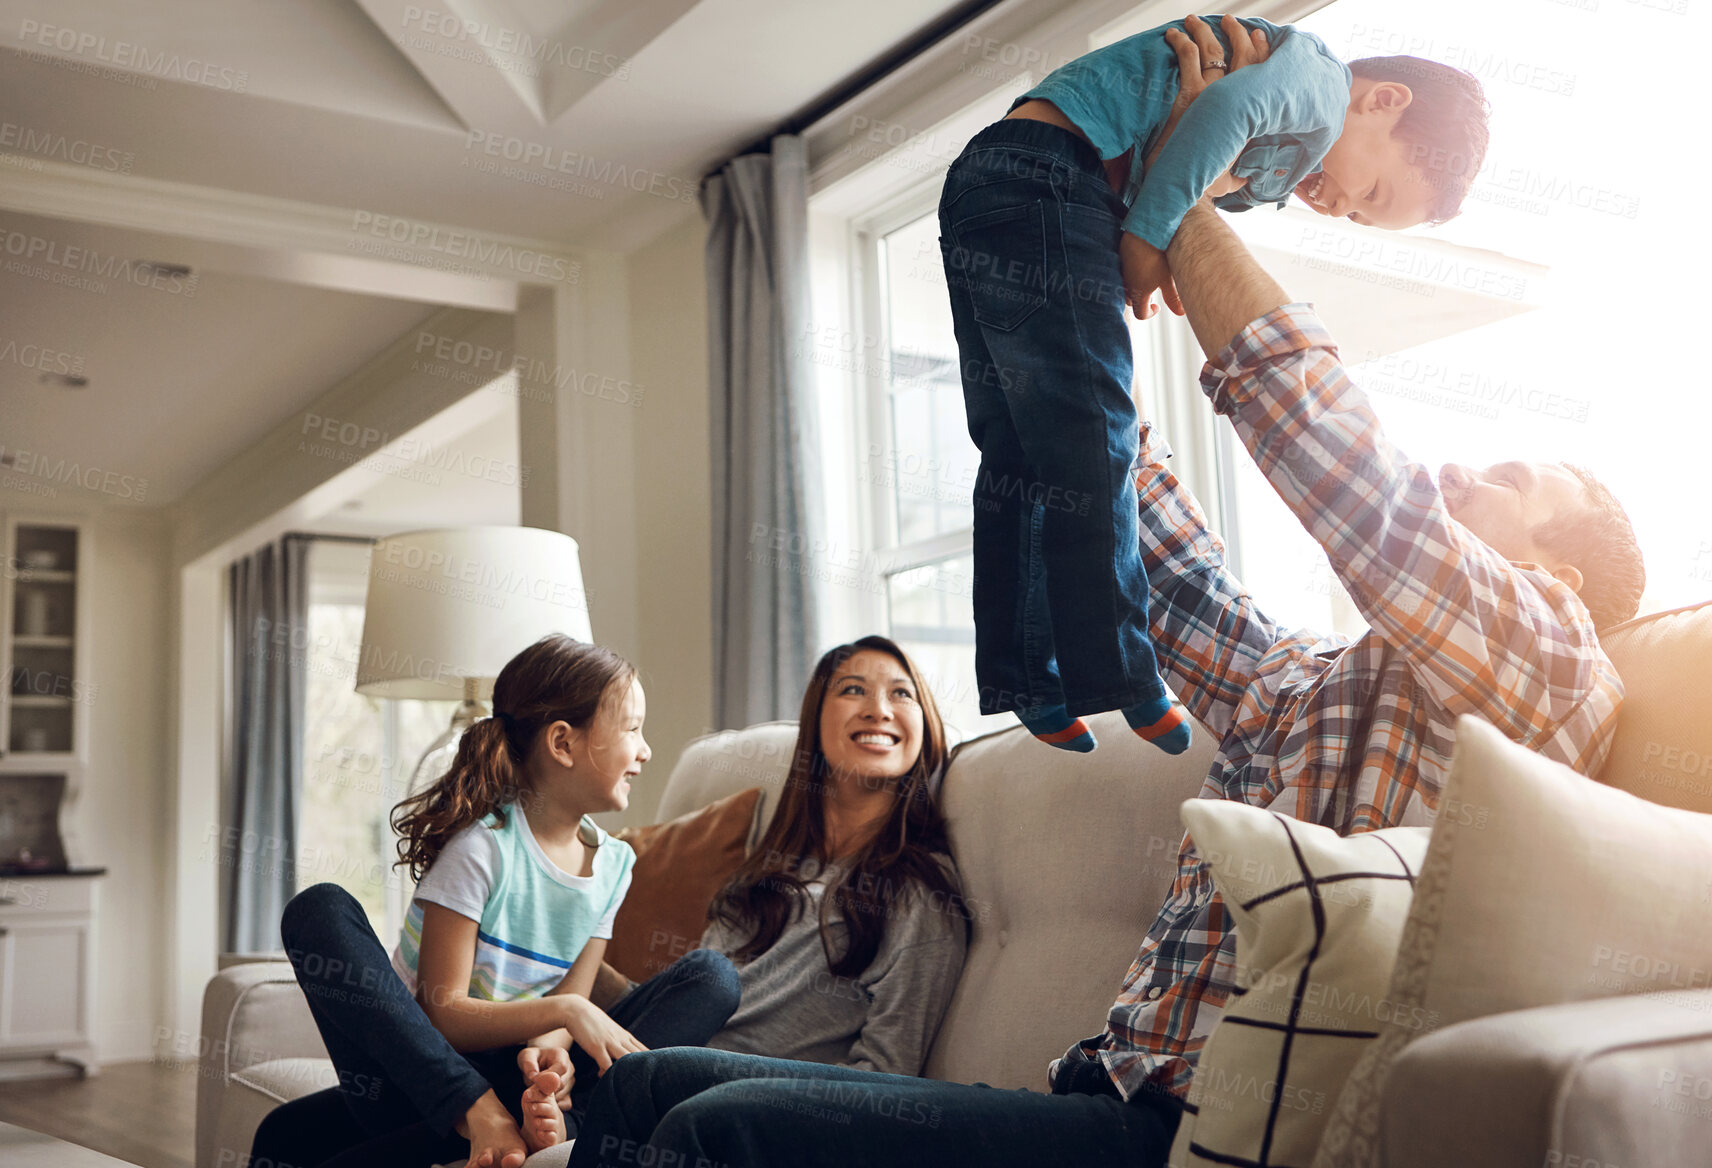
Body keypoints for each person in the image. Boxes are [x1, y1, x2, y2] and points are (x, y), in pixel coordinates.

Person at [562, 26, 1641, 1168]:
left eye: (1510, 480)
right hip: (1096, 1086)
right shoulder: (1314, 685)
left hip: (1189, 1138)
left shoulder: (1554, 662)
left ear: (1558, 573)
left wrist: (1178, 196)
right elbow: (1145, 536)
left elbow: (1349, 476)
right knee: (646, 1085)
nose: (1461, 470)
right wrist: (1073, 276)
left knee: (709, 1126)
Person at [938, 13, 1491, 756]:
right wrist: (1141, 242)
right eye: (1373, 190)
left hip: (998, 175)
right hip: (1052, 174)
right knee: (1098, 431)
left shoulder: (1280, 160)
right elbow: (1215, 122)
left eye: (1361, 217)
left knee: (1018, 448)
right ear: (1384, 101)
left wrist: (1173, 207)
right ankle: (1121, 676)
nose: (1342, 207)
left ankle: (1024, 680)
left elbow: (1185, 152)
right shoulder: (1319, 78)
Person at [248, 635, 742, 1168]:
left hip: (514, 1079)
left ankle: (561, 1125)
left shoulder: (614, 865)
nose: (645, 749)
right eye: (632, 728)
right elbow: (445, 1012)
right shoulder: (483, 847)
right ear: (563, 743)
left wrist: (551, 1058)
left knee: (713, 977)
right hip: (425, 1073)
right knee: (319, 908)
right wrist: (566, 1014)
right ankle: (480, 1114)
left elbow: (566, 1003)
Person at [700, 635, 970, 1073]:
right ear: (814, 720)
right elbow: (679, 1004)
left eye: (901, 693)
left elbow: (882, 1078)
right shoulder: (760, 879)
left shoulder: (918, 893)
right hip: (654, 1059)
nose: (878, 710)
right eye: (852, 689)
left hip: (733, 1101)